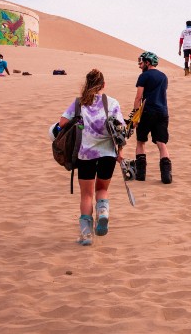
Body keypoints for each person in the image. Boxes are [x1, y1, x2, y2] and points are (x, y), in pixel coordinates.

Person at [56, 69, 126, 246]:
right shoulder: (112, 102)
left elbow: (62, 122)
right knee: (102, 189)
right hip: (108, 154)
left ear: (87, 84)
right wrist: (121, 153)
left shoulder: (79, 103)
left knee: (86, 194)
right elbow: (121, 130)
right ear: (103, 85)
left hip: (85, 154)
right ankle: (103, 213)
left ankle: (86, 234)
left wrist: (79, 122)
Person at [132, 51, 172, 184]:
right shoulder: (163, 76)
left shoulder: (144, 76)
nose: (140, 65)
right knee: (161, 143)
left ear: (147, 63)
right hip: (162, 112)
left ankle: (141, 175)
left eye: (142, 62)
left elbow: (139, 97)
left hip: (147, 112)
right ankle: (166, 176)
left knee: (141, 141)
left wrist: (135, 115)